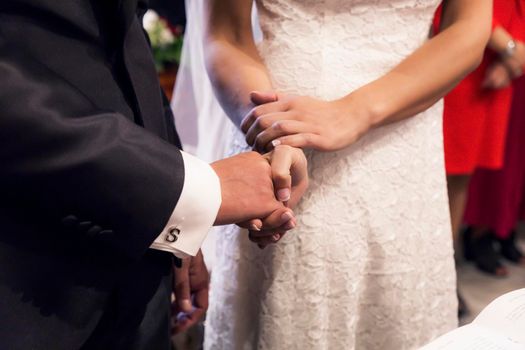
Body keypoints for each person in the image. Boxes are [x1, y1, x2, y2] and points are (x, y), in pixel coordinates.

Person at [0, 1, 307, 349]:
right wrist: (189, 190)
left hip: (136, 254)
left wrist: (170, 216)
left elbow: (124, 39)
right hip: (26, 276)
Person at [203, 0, 491, 349]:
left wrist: (355, 112)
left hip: (403, 153)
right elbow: (227, 34)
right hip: (279, 138)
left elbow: (469, 28)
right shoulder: (275, 136)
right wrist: (272, 130)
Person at [440, 0, 525, 277]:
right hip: (461, 63)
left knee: (463, 177)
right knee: (440, 176)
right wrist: (511, 49)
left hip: (498, 71)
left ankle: (445, 271)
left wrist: (514, 62)